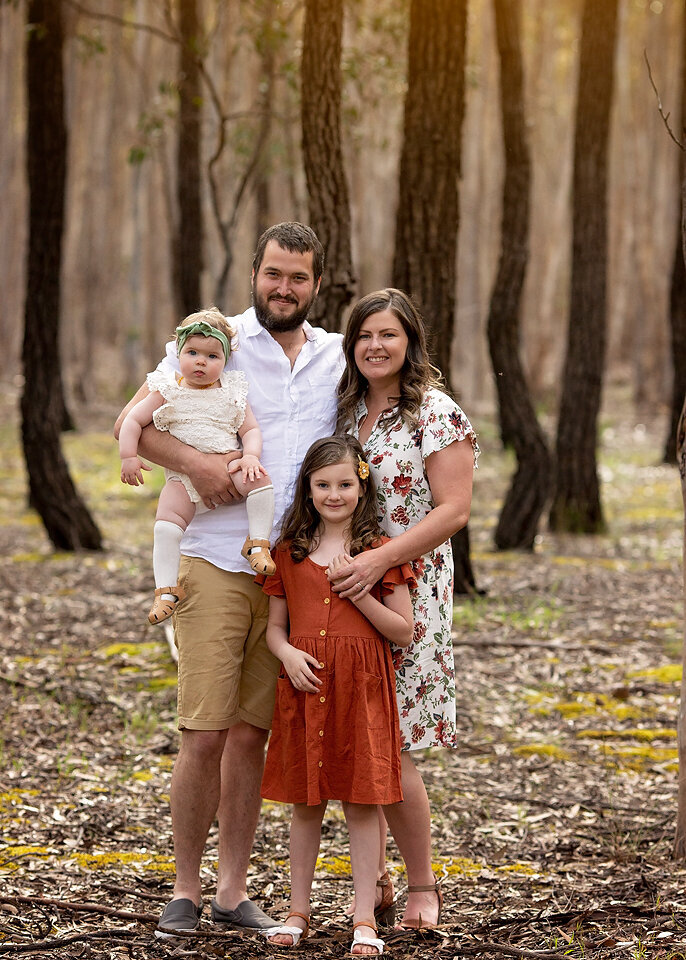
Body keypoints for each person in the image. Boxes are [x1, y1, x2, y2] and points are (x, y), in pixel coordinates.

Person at [113, 223, 344, 937]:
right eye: (274, 274)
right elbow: (141, 424)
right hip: (214, 562)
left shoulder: (337, 356)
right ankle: (184, 890)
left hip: (293, 574)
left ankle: (232, 890)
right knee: (204, 732)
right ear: (256, 273)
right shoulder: (216, 338)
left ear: (315, 282)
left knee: (252, 736)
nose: (284, 288)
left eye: (297, 278)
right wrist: (203, 466)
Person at [330, 288, 479, 930]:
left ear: (410, 342)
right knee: (353, 731)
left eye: (388, 334)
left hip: (409, 587)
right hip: (343, 583)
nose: (375, 346)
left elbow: (454, 510)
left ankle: (424, 887)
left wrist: (382, 560)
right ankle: (376, 874)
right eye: (364, 336)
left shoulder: (434, 413)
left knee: (395, 738)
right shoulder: (344, 414)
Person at [258, 435, 415, 956]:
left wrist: (360, 590)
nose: (334, 494)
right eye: (323, 484)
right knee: (306, 803)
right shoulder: (290, 551)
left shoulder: (379, 553)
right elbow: (274, 630)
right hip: (307, 687)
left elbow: (403, 632)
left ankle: (364, 918)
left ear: (361, 485)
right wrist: (286, 655)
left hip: (361, 692)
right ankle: (296, 910)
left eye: (345, 483)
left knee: (362, 803)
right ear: (307, 487)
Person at [118, 307, 275, 625]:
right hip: (181, 481)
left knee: (261, 482)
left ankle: (257, 542)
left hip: (230, 469)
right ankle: (165, 590)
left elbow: (251, 431)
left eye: (212, 356)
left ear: (226, 358)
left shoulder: (232, 391)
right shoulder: (167, 389)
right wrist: (128, 456)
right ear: (179, 351)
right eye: (192, 352)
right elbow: (132, 420)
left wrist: (250, 456)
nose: (201, 362)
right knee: (165, 526)